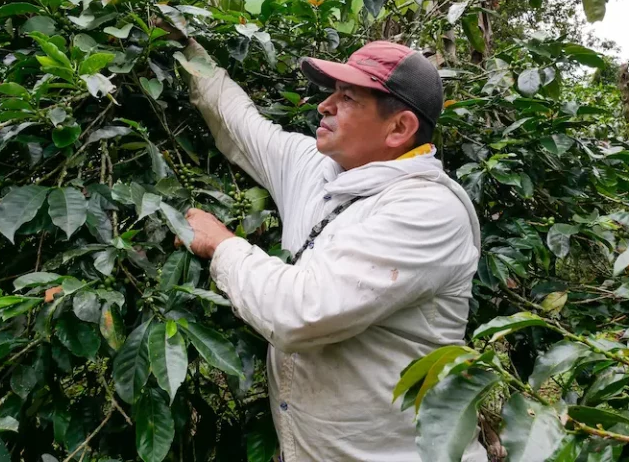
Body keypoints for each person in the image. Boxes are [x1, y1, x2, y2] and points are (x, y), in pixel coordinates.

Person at [175, 39, 484, 462]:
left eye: (348, 97)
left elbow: (302, 312)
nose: (325, 105)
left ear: (399, 128)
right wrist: (184, 47)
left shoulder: (427, 210)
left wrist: (221, 245)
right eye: (331, 92)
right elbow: (238, 123)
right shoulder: (321, 170)